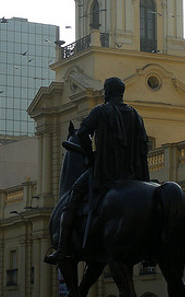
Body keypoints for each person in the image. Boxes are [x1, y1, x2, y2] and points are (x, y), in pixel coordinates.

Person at [45, 77, 149, 264]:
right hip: (132, 173)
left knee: (73, 197)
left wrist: (91, 157)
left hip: (106, 171)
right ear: (122, 93)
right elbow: (143, 145)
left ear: (107, 92)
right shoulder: (135, 114)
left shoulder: (101, 110)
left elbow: (83, 133)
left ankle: (61, 249)